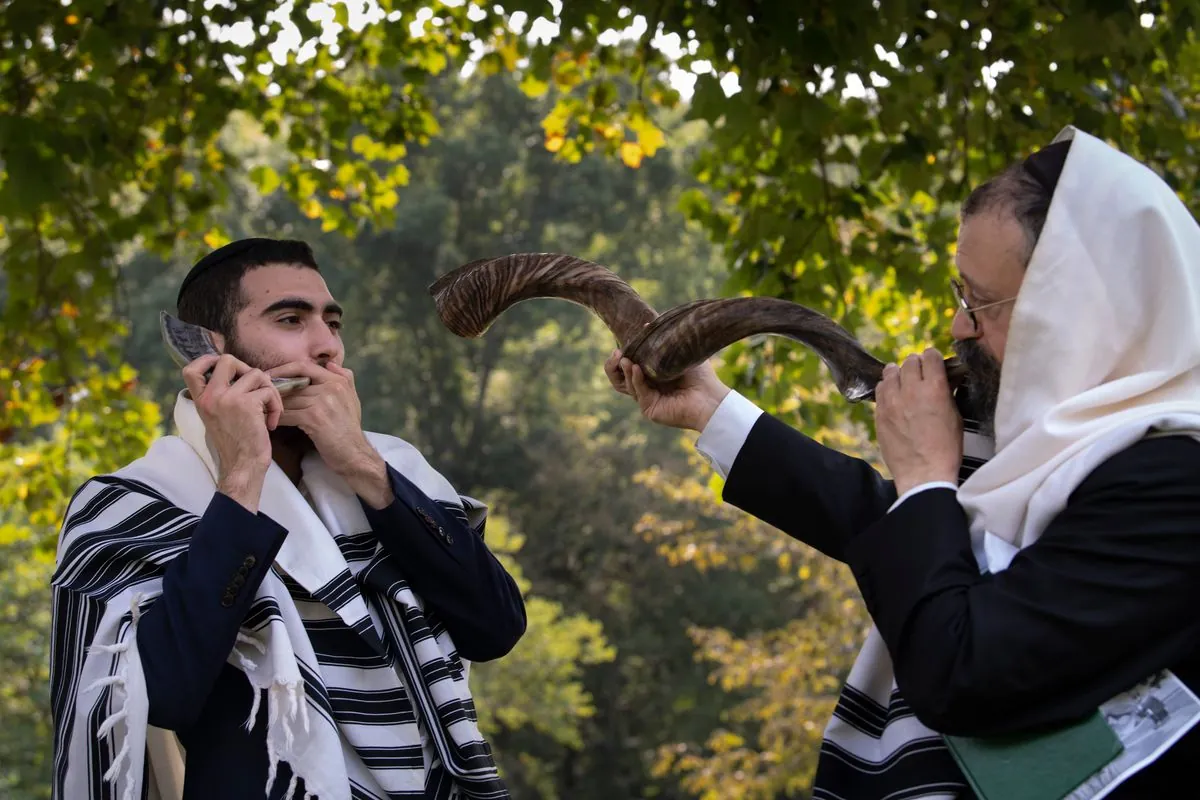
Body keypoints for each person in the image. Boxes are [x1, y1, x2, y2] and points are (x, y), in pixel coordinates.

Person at [605, 126, 1200, 798]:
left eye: (984, 304)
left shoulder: (1176, 480)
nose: (958, 328)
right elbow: (920, 545)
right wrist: (711, 412)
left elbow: (963, 668)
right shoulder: (1066, 438)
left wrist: (924, 479)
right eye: (961, 294)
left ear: (1086, 312)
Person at [50, 238, 526, 800]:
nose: (326, 346)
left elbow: (494, 627)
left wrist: (364, 468)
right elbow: (167, 693)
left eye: (332, 322)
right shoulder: (138, 500)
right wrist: (242, 474)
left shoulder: (393, 468)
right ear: (208, 351)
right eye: (290, 319)